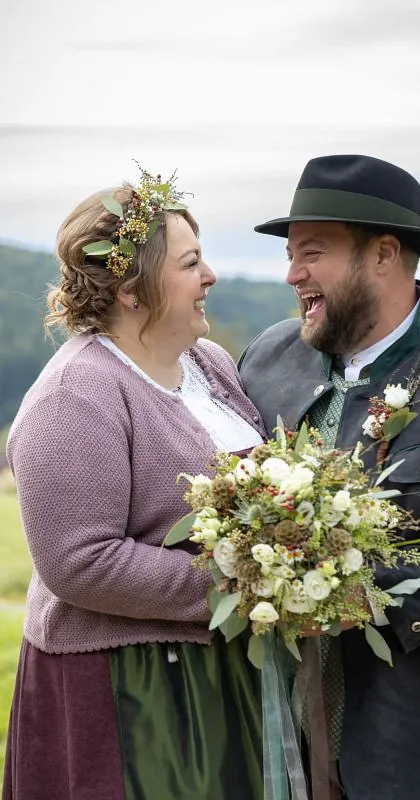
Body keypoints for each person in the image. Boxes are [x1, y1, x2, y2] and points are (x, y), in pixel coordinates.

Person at [238, 154, 420, 800]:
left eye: (312, 252)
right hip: (291, 749)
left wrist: (365, 597)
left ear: (383, 255)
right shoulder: (264, 360)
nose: (292, 274)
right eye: (290, 254)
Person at [3, 167, 266, 800]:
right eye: (191, 263)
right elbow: (80, 563)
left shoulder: (208, 364)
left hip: (221, 662)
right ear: (131, 290)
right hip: (132, 684)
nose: (210, 276)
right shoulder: (75, 397)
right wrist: (243, 586)